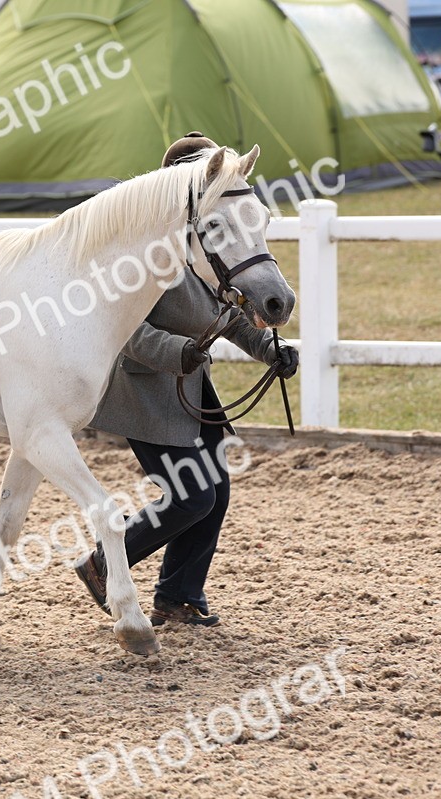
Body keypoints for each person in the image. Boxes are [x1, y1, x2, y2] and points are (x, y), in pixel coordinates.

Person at [73, 133, 299, 628]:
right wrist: (180, 351)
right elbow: (127, 329)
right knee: (192, 496)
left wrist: (269, 351)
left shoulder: (208, 245)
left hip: (192, 388)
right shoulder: (142, 255)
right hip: (146, 391)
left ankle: (177, 594)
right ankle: (103, 564)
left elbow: (230, 316)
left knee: (215, 494)